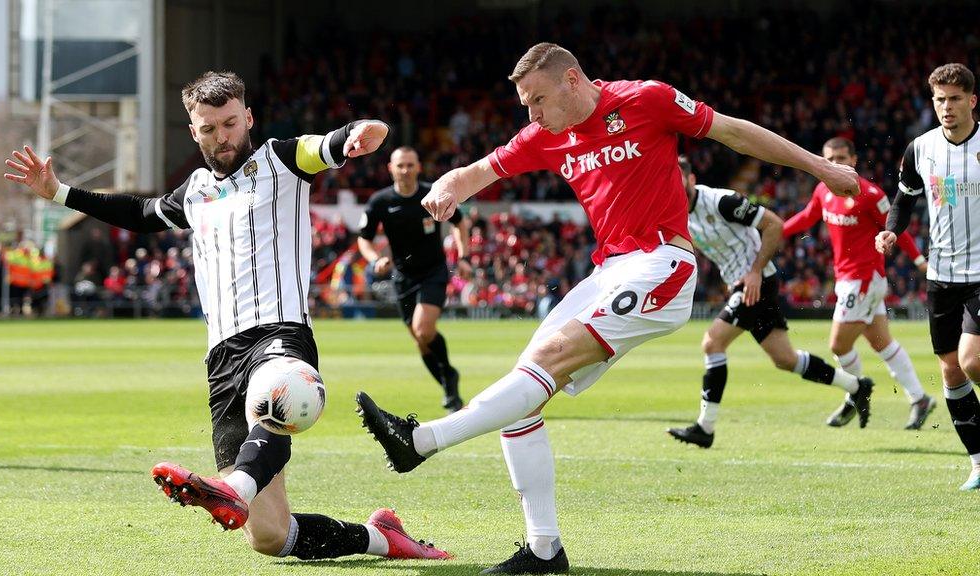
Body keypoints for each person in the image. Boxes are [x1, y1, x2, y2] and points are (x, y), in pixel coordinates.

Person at [354, 42, 860, 574]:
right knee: (521, 396)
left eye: (538, 100)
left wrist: (818, 167)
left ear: (573, 80)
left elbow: (734, 131)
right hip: (607, 272)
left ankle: (420, 441)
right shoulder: (547, 135)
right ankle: (544, 549)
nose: (532, 115)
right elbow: (478, 171)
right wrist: (449, 187)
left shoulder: (647, 100)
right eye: (526, 104)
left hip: (662, 263)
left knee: (544, 360)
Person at [4, 71, 449, 561]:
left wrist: (368, 130)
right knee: (271, 537)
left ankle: (234, 487)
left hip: (279, 335)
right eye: (210, 128)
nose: (223, 137)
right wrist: (60, 192)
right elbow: (139, 213)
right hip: (222, 359)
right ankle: (383, 536)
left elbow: (342, 140)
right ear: (194, 131)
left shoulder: (282, 158)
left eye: (231, 123)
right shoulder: (193, 192)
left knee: (285, 394)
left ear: (248, 118)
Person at [667, 156, 874, 449]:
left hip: (757, 282)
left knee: (713, 343)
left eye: (676, 178)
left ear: (689, 178)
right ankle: (857, 386)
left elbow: (773, 225)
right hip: (745, 284)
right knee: (785, 359)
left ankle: (705, 427)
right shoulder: (677, 213)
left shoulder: (722, 202)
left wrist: (753, 272)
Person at [784, 137, 934, 429]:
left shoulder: (870, 194)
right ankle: (920, 399)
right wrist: (776, 229)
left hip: (864, 279)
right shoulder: (823, 190)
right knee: (882, 344)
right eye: (830, 159)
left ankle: (855, 393)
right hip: (846, 279)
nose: (835, 164)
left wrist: (918, 261)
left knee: (838, 345)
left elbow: (897, 228)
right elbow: (806, 218)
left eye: (842, 158)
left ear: (853, 160)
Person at [878, 63, 980, 490]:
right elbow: (905, 201)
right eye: (940, 99)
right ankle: (979, 462)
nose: (947, 107)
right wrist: (890, 229)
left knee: (973, 360)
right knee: (952, 371)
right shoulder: (919, 149)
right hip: (941, 276)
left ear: (972, 101)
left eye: (955, 99)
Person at [358, 146, 468, 412]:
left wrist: (463, 255)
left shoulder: (433, 195)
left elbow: (460, 223)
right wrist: (375, 259)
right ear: (391, 168)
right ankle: (448, 383)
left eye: (410, 165)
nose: (405, 170)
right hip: (402, 277)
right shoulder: (380, 202)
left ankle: (449, 380)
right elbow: (364, 239)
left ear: (419, 167)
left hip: (433, 272)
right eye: (400, 165)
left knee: (423, 329)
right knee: (420, 339)